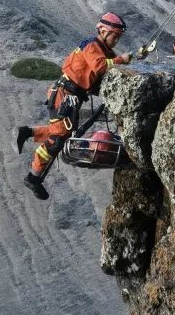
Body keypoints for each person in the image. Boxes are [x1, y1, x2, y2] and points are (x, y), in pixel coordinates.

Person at [16, 11, 131, 200]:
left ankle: (27, 133)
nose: (116, 41)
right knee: (57, 140)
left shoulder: (105, 51)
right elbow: (101, 67)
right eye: (114, 36)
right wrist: (123, 60)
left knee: (63, 133)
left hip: (71, 95)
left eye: (118, 37)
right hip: (65, 94)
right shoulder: (92, 46)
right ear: (103, 31)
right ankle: (33, 177)